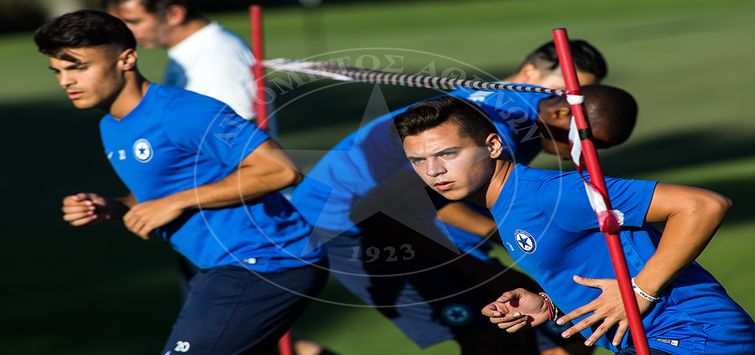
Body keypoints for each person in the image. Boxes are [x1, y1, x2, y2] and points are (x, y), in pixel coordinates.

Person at [290, 41, 622, 354]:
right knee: (492, 331)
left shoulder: (511, 110)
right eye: (566, 92)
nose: (574, 104)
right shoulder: (501, 126)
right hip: (346, 224)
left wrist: (488, 234)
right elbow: (388, 210)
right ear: (530, 74)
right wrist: (489, 272)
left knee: (549, 323)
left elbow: (437, 195)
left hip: (392, 213)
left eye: (584, 95)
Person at [36, 10, 326, 354]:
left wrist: (175, 202)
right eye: (59, 71)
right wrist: (115, 207)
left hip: (267, 261)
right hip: (216, 265)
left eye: (79, 68)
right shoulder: (112, 125)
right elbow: (161, 190)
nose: (65, 81)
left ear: (127, 59)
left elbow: (279, 170)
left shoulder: (184, 112)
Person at [395, 95, 755, 354]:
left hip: (696, 337)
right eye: (418, 160)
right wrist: (550, 304)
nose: (434, 171)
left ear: (492, 145)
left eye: (448, 154)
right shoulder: (505, 204)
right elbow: (595, 263)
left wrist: (639, 291)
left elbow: (703, 205)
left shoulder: (549, 193)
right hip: (650, 342)